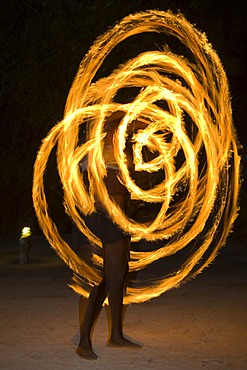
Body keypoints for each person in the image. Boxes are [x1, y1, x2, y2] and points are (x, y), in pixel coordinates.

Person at [76, 112, 141, 360]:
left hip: (119, 220)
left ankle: (115, 335)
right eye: (114, 126)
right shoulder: (91, 147)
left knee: (117, 276)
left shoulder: (122, 151)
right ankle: (83, 342)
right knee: (93, 281)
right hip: (95, 219)